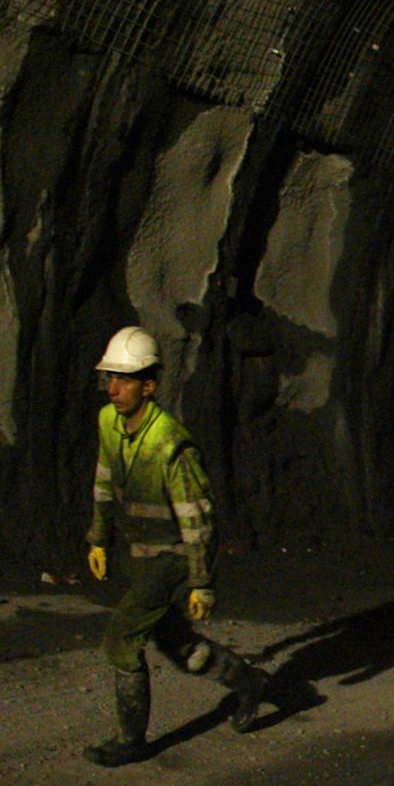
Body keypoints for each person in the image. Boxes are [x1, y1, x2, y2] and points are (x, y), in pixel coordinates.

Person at [83, 326, 269, 767]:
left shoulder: (170, 443)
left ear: (149, 386)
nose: (114, 388)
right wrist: (99, 537)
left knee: (122, 640)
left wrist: (202, 581)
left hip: (171, 557)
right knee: (174, 642)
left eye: (124, 379)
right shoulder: (109, 422)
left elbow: (198, 517)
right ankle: (247, 682)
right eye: (110, 377)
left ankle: (132, 740)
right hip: (139, 554)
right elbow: (105, 481)